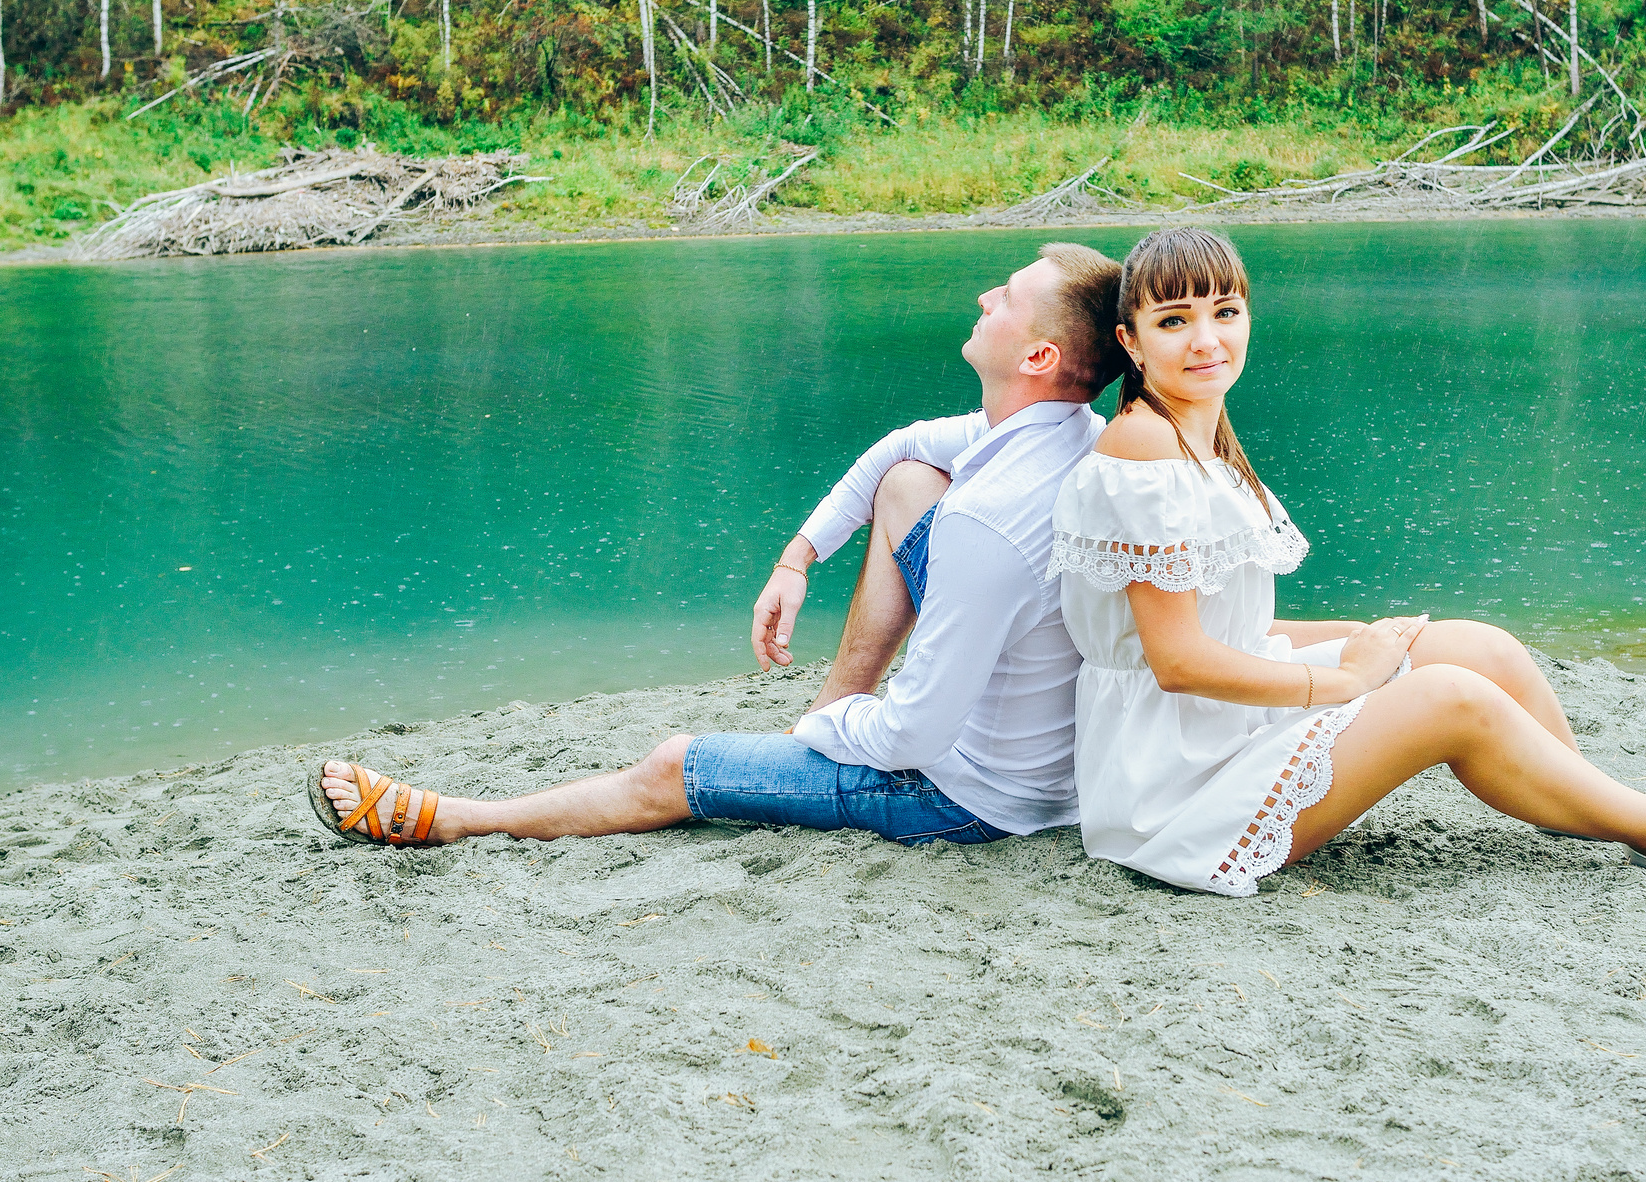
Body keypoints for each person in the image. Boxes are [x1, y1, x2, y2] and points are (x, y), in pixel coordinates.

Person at [1050, 227, 1646, 897]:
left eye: (1225, 312)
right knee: (1451, 695)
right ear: (1131, 340)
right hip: (1173, 783)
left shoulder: (1194, 429)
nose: (1207, 339)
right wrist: (1347, 677)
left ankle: (1590, 807)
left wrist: (1356, 635)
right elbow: (1179, 660)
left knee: (1477, 647)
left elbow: (1220, 617)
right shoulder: (1144, 445)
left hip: (1215, 720)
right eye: (1175, 320)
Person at [308, 242, 1127, 850]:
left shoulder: (990, 521)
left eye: (1009, 296)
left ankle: (454, 820)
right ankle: (819, 722)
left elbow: (913, 735)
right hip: (1030, 768)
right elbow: (896, 448)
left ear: (1039, 355)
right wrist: (796, 558)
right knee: (911, 480)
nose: (986, 293)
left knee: (673, 765)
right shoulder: (1054, 431)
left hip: (969, 800)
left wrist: (831, 732)